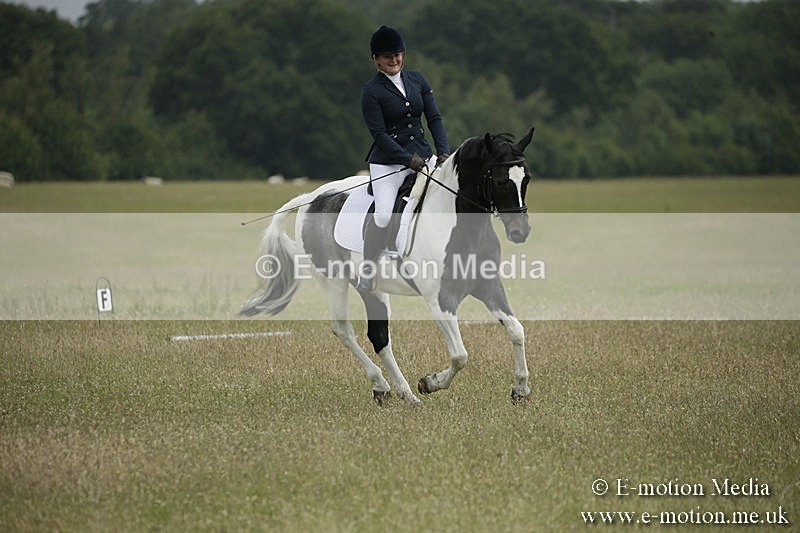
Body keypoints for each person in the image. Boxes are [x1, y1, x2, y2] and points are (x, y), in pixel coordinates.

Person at [358, 25, 450, 291]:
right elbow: (380, 134)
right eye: (388, 56)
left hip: (424, 156)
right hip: (388, 163)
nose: (394, 59)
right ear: (376, 59)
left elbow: (434, 118)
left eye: (398, 54)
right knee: (385, 215)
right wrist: (408, 160)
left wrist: (443, 151)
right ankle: (368, 268)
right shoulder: (371, 92)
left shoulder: (417, 80)